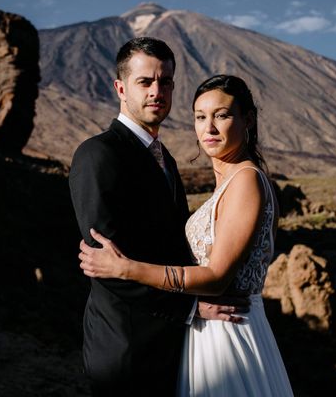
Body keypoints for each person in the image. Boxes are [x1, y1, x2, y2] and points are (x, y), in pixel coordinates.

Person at [80, 74, 294, 396]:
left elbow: (217, 278)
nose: (209, 128)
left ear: (247, 119)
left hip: (229, 337)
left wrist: (126, 268)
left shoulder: (246, 181)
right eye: (200, 117)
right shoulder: (227, 181)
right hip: (207, 333)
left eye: (221, 115)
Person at [69, 38, 242, 396]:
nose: (156, 91)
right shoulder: (98, 154)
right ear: (120, 88)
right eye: (144, 82)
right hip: (126, 347)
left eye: (165, 82)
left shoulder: (166, 159)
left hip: (169, 344)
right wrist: (190, 307)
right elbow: (106, 264)